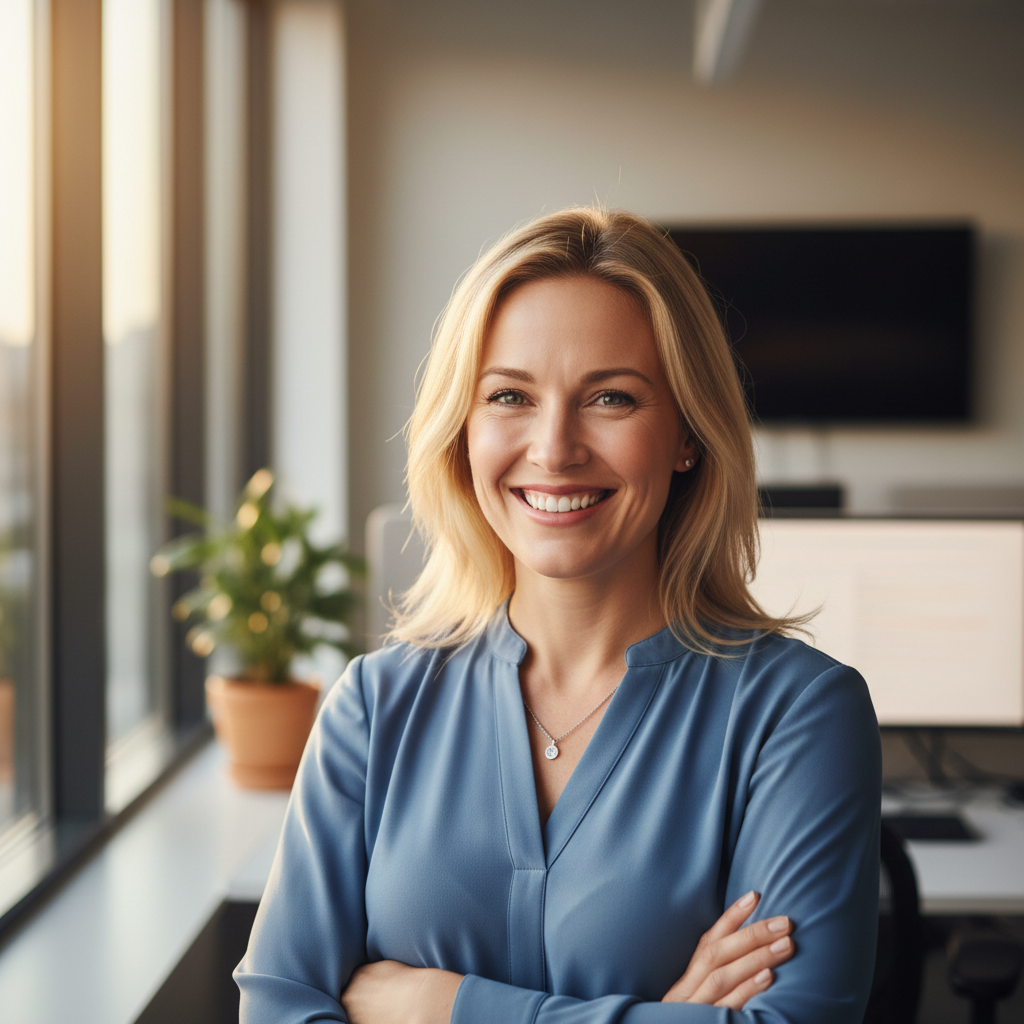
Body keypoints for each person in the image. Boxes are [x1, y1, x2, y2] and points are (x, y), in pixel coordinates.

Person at [235, 207, 881, 1024]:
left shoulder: (798, 714)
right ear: (462, 433)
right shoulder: (373, 708)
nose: (553, 448)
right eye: (509, 395)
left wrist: (443, 1007)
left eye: (610, 397)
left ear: (687, 432)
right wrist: (666, 1014)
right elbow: (278, 1011)